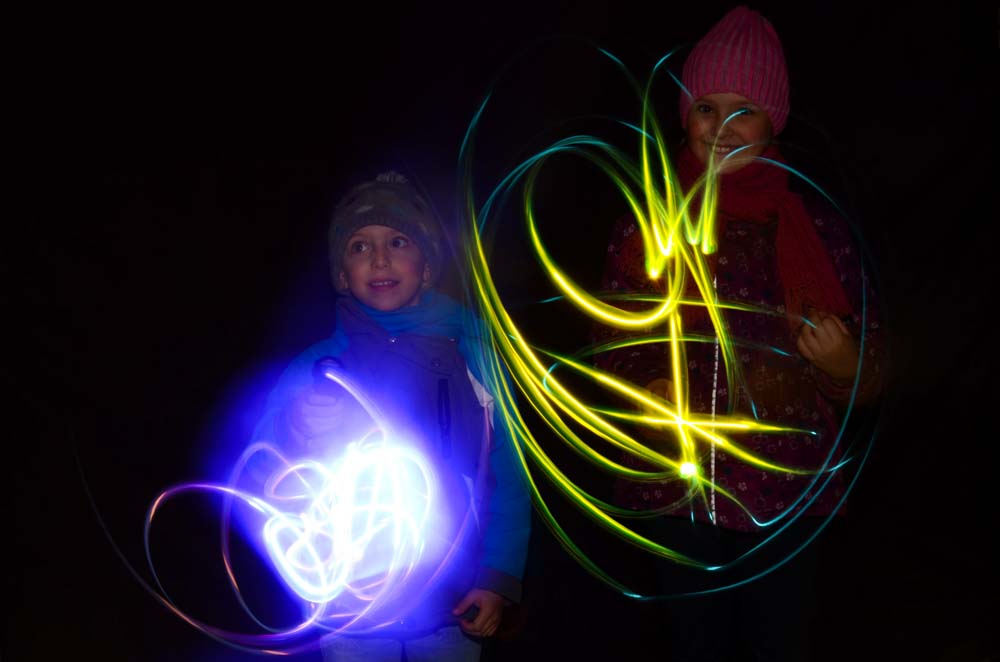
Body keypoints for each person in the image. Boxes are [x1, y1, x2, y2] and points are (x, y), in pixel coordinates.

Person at [592, 6, 884, 661]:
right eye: (706, 108)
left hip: (786, 490)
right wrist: (648, 386)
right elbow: (614, 335)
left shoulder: (816, 228)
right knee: (693, 644)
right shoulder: (647, 221)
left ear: (774, 119)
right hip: (674, 487)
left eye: (742, 110)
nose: (721, 127)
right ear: (683, 115)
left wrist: (845, 364)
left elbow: (870, 363)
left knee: (778, 641)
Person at [248, 170, 531, 662]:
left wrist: (497, 578)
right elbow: (261, 469)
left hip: (453, 601)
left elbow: (510, 477)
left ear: (427, 265)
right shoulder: (316, 367)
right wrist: (297, 428)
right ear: (341, 273)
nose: (379, 258)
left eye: (398, 241)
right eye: (359, 246)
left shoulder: (476, 357)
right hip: (351, 610)